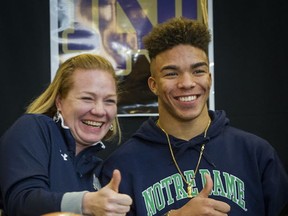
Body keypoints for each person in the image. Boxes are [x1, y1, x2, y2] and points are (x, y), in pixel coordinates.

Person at [100, 17, 288, 216]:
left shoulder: (256, 154)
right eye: (172, 74)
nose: (187, 83)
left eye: (198, 71)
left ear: (209, 78)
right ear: (153, 85)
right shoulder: (122, 167)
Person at [0, 54, 132, 216]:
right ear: (59, 102)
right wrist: (87, 203)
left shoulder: (98, 169)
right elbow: (21, 202)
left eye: (109, 101)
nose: (99, 111)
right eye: (87, 98)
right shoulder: (34, 127)